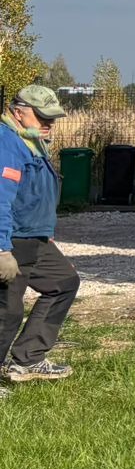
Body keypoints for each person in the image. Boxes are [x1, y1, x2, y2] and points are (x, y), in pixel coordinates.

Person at [0, 85, 79, 384]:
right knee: (7, 311)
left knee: (64, 282)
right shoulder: (6, 143)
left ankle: (29, 359)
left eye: (53, 118)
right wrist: (1, 250)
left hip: (35, 237)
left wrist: (46, 231)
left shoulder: (31, 139)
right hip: (12, 239)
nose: (49, 123)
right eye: (43, 117)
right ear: (18, 112)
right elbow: (0, 198)